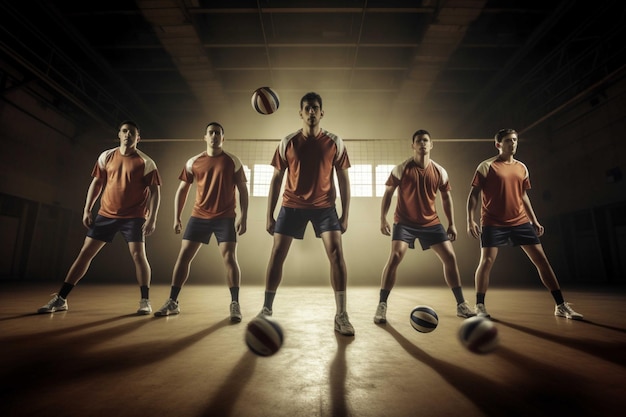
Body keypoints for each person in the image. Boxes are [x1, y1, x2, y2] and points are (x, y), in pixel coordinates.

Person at [37, 120, 162, 315]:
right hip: (106, 213)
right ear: (119, 134)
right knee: (85, 254)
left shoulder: (146, 162)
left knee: (139, 256)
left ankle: (145, 301)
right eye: (124, 131)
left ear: (138, 138)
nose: (127, 134)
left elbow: (155, 192)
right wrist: (87, 209)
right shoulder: (106, 156)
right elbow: (96, 183)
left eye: (132, 132)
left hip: (134, 216)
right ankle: (61, 299)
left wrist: (152, 218)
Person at [259, 91, 355, 336]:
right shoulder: (287, 142)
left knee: (336, 254)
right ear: (300, 113)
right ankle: (266, 309)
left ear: (322, 113)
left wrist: (345, 214)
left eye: (315, 108)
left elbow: (344, 180)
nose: (311, 112)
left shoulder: (335, 141)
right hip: (292, 206)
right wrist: (269, 214)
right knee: (277, 253)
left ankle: (341, 315)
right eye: (307, 108)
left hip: (325, 208)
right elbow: (276, 179)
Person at [466, 128, 583, 320]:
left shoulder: (522, 167)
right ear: (498, 145)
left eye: (514, 140)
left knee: (542, 261)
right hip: (493, 222)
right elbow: (473, 196)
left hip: (520, 222)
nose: (512, 144)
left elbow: (523, 195)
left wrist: (533, 220)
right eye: (508, 141)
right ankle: (479, 305)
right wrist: (470, 219)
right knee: (486, 262)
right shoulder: (486, 166)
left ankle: (561, 306)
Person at [374, 129, 475, 324]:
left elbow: (446, 198)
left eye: (426, 140)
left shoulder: (440, 171)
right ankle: (382, 306)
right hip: (404, 222)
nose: (422, 143)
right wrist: (382, 218)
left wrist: (452, 223)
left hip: (431, 222)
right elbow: (388, 194)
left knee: (450, 257)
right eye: (419, 141)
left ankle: (461, 305)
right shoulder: (401, 168)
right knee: (395, 256)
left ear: (431, 144)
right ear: (413, 145)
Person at [154, 122, 249, 322]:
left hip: (225, 217)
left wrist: (244, 216)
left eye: (218, 133)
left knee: (230, 258)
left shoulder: (233, 161)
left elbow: (243, 190)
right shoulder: (193, 162)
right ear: (205, 137)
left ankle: (235, 304)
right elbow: (182, 190)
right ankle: (173, 301)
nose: (214, 136)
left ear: (223, 138)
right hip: (199, 216)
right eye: (210, 133)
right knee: (184, 256)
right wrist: (177, 217)